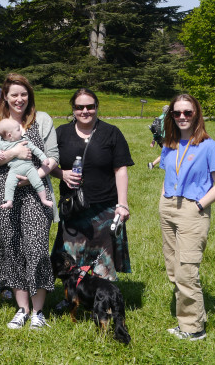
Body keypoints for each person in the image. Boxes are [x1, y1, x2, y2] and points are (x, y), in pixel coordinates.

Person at [0, 73, 59, 330]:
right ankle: (22, 309)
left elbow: (52, 156)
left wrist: (34, 176)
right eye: (14, 94)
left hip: (36, 192)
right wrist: (15, 152)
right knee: (11, 246)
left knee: (36, 246)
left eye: (23, 94)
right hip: (5, 195)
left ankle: (38, 312)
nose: (19, 99)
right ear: (5, 96)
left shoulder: (43, 120)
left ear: (30, 96)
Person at [159, 94, 215, 341]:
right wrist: (163, 201)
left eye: (187, 112)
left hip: (192, 209)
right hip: (168, 207)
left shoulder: (209, 146)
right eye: (177, 113)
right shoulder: (170, 144)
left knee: (187, 270)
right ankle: (184, 321)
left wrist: (198, 205)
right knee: (173, 269)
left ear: (197, 114)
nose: (182, 117)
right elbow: (168, 174)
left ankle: (193, 328)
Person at [51, 88, 133, 284]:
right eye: (79, 107)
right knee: (71, 257)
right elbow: (49, 164)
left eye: (90, 106)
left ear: (97, 107)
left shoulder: (111, 133)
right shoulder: (61, 133)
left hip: (104, 207)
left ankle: (102, 301)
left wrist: (122, 204)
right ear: (73, 109)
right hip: (73, 207)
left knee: (103, 260)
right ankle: (72, 299)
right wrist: (62, 174)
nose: (85, 111)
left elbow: (120, 169)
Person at [0, 118, 54, 210]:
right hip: (14, 170)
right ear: (10, 135)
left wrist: (43, 158)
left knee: (37, 182)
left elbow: (36, 150)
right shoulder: (2, 144)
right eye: (18, 130)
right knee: (9, 184)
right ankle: (9, 202)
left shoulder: (24, 140)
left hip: (29, 168)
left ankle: (44, 199)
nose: (21, 131)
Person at [149, 105, 170, 169]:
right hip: (166, 138)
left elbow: (155, 130)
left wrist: (153, 140)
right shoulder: (168, 119)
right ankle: (152, 164)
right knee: (167, 152)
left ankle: (154, 164)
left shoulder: (159, 118)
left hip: (159, 138)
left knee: (166, 153)